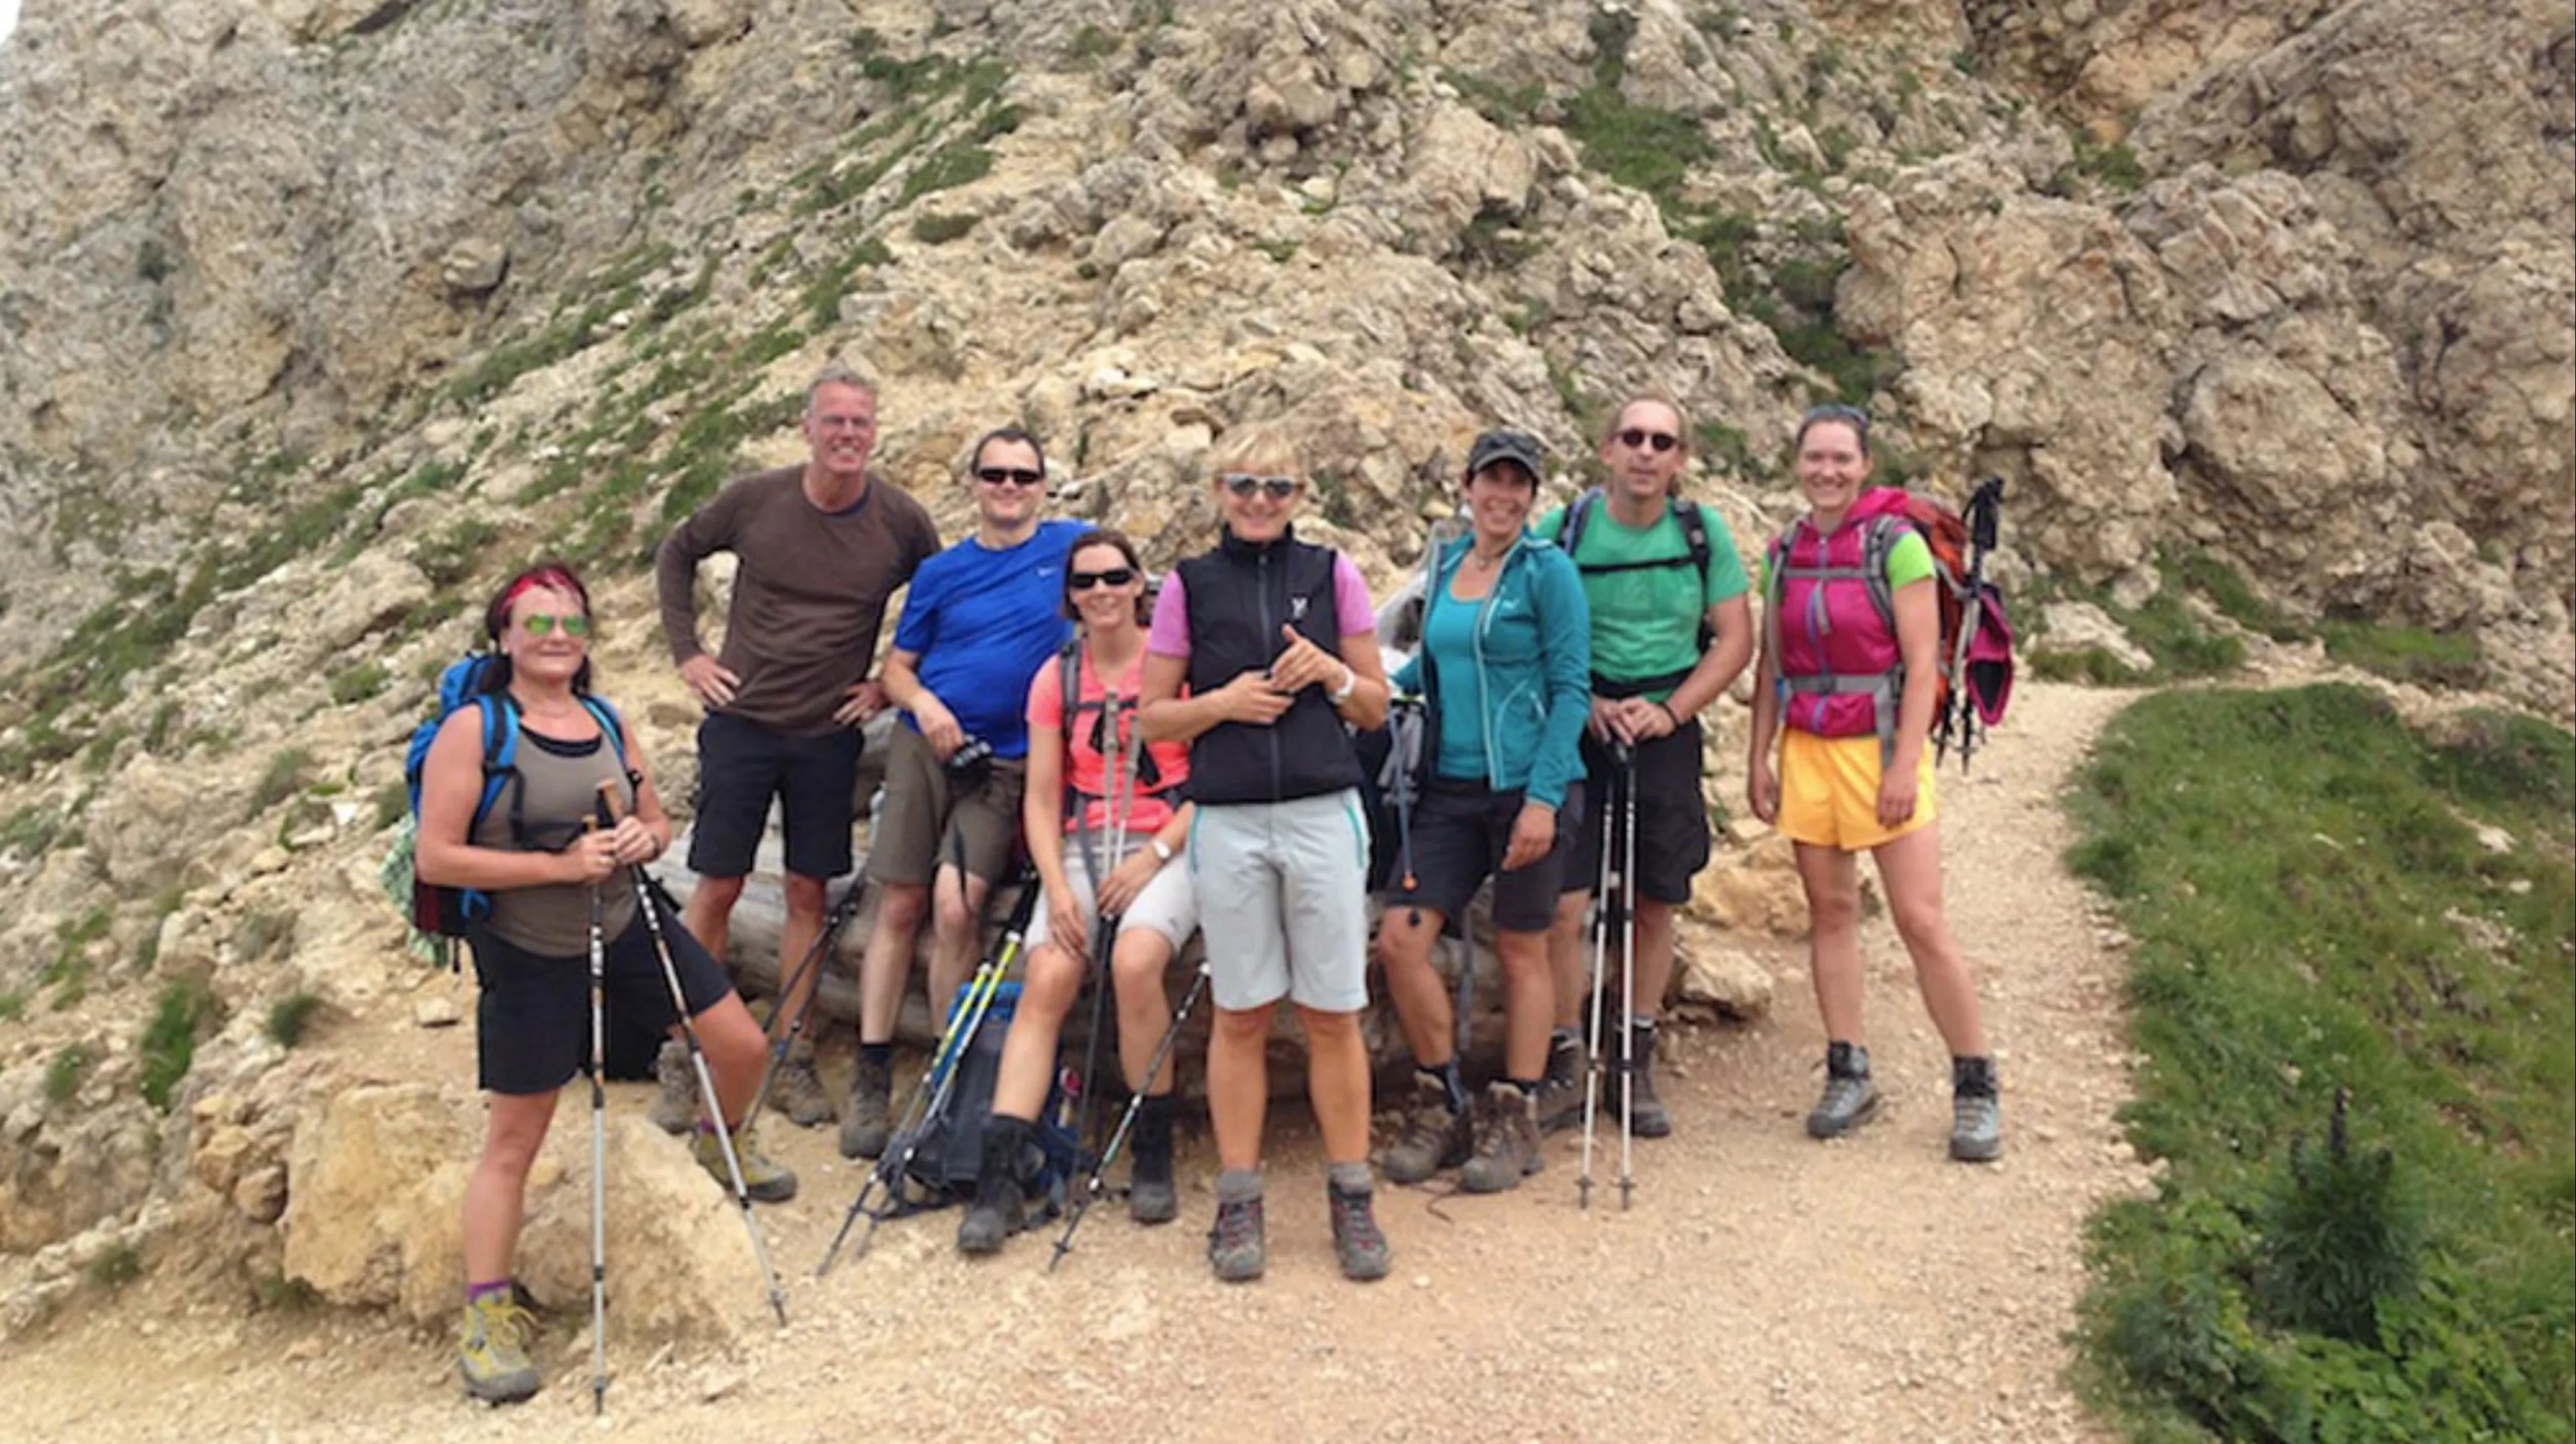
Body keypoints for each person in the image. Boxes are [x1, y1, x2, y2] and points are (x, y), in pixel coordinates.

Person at [416, 562, 792, 1405]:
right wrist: (554, 864)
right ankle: (485, 1313)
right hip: (524, 942)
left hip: (627, 919)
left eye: (572, 625)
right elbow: (435, 855)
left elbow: (656, 820)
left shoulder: (606, 718)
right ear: (504, 637)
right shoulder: (475, 731)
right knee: (517, 1136)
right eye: (538, 624)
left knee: (739, 1045)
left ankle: (715, 1138)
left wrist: (642, 842)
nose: (557, 638)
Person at [1139, 423, 1395, 1284]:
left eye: (1277, 488)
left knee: (1332, 1011)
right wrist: (1221, 703)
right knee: (1243, 1011)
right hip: (1232, 819)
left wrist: (1328, 672)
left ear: (1300, 497)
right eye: (1244, 485)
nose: (1259, 501)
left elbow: (1374, 707)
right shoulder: (1187, 584)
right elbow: (1152, 716)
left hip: (1322, 811)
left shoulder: (1332, 574)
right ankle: (1240, 1197)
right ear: (1219, 491)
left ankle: (1351, 1195)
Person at [653, 364, 940, 1129]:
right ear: (807, 428)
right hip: (742, 723)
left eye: (861, 423)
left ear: (875, 433)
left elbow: (937, 602)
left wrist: (888, 682)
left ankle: (794, 1054)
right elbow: (677, 554)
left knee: (811, 894)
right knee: (716, 886)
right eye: (834, 421)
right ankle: (683, 1050)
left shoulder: (901, 522)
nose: (848, 435)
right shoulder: (757, 500)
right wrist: (689, 653)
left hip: (827, 734)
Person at [1745, 405, 2001, 1162]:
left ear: (1866, 465)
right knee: (1830, 912)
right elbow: (1772, 665)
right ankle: (1848, 1068)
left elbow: (1923, 665)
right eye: (1815, 458)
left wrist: (1902, 764)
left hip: (1883, 746)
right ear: (1798, 463)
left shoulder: (1901, 548)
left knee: (1920, 919)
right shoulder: (1783, 550)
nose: (1828, 472)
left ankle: (1977, 1083)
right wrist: (1757, 757)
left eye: (1842, 460)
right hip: (1809, 750)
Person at [841, 427, 1083, 1159]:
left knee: (957, 905)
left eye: (1023, 475)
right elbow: (900, 668)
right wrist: (929, 707)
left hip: (1008, 760)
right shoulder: (943, 572)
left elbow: (1134, 592)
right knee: (901, 901)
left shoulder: (1074, 548)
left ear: (1043, 484)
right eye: (995, 474)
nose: (1009, 487)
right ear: (974, 482)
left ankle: (956, 1074)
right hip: (926, 743)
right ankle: (873, 1067)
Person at [956, 529, 1199, 1253]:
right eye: (1086, 581)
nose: (1100, 592)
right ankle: (997, 1173)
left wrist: (1152, 857)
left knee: (1134, 961)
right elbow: (1039, 796)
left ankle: (1153, 1146)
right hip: (1083, 844)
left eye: (1114, 578)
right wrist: (1059, 889)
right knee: (1049, 974)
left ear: (1137, 585)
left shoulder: (1176, 666)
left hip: (1165, 843)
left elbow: (1211, 783)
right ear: (1071, 595)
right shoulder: (1055, 677)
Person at [1376, 431, 1591, 1194]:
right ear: (1467, 486)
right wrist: (1366, 686)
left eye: (1518, 485)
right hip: (1449, 788)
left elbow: (1571, 687)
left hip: (1527, 785)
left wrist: (1542, 796)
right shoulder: (1445, 565)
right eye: (1491, 481)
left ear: (1533, 497)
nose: (1503, 496)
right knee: (1401, 939)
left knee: (1522, 945)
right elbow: (1429, 664)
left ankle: (1516, 1111)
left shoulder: (1548, 571)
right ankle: (1442, 1099)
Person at [1536, 394, 1755, 1139]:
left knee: (1656, 898)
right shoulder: (1564, 530)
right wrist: (1586, 697)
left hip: (1667, 724)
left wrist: (1671, 710)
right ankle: (1567, 1055)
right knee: (1566, 904)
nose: (1646, 452)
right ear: (1605, 449)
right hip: (1578, 725)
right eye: (1632, 437)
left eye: (1663, 441)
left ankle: (1633, 1052)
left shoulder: (1701, 533)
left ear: (1681, 459)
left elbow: (1733, 637)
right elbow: (1524, 618)